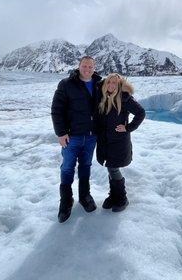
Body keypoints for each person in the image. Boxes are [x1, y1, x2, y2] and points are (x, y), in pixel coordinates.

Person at [51, 56, 102, 223]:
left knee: (86, 165)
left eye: (90, 66)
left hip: (91, 136)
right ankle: (66, 201)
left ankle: (84, 196)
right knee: (67, 168)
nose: (87, 69)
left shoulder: (99, 84)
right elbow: (57, 110)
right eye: (84, 66)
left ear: (94, 68)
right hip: (71, 136)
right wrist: (61, 132)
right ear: (79, 66)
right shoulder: (66, 84)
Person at [96, 73, 145, 212]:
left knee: (113, 168)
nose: (111, 85)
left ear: (119, 85)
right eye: (109, 82)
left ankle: (122, 198)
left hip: (119, 142)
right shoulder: (103, 97)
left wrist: (128, 127)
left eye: (115, 83)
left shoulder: (125, 98)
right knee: (110, 166)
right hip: (106, 141)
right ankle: (113, 196)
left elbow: (141, 113)